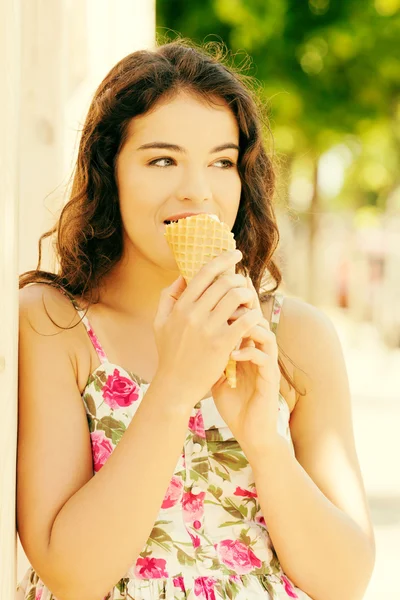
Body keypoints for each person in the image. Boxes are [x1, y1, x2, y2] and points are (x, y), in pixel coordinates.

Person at [16, 39, 375, 600]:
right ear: (108, 170)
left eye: (222, 162)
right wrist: (176, 388)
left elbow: (346, 580)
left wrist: (263, 440)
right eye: (162, 160)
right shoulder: (53, 325)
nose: (197, 190)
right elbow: (73, 576)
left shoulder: (295, 335)